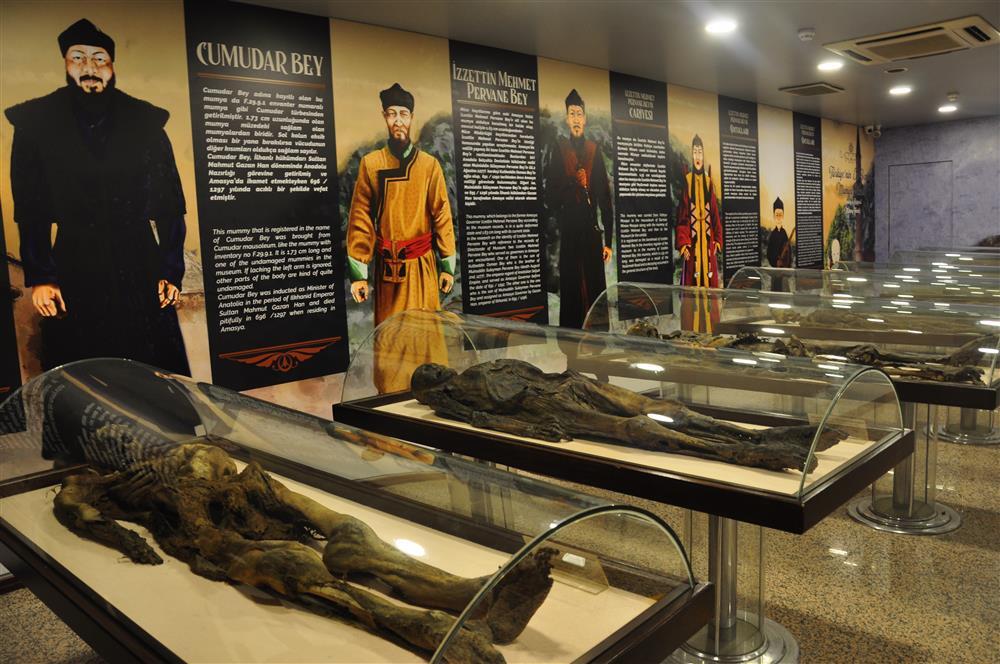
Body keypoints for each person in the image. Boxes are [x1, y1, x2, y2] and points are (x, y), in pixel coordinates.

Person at [5, 18, 189, 374]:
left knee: (152, 367)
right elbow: (31, 208)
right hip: (76, 261)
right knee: (83, 365)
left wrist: (170, 269)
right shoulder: (36, 123)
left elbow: (170, 204)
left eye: (99, 59)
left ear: (112, 66)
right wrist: (42, 276)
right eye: (78, 58)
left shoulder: (144, 121)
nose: (90, 68)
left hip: (140, 260)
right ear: (66, 64)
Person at [346, 83, 455, 392]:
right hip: (386, 273)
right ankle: (392, 402)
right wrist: (359, 273)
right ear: (384, 117)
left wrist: (446, 266)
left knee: (424, 340)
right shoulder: (371, 164)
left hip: (421, 269)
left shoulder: (429, 166)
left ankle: (433, 396)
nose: (398, 120)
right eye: (392, 114)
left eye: (403, 114)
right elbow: (361, 219)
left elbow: (442, 216)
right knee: (391, 344)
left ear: (411, 118)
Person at [544, 89, 613, 329]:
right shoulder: (559, 150)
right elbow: (551, 197)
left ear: (585, 119)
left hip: (592, 235)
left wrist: (609, 242)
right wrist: (574, 181)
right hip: (570, 234)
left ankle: (599, 342)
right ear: (566, 118)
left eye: (579, 114)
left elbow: (605, 197)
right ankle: (571, 346)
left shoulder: (595, 150)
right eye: (571, 113)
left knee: (594, 289)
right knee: (572, 291)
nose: (575, 118)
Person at [675, 134, 722, 331]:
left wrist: (718, 239)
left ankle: (710, 330)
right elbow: (682, 217)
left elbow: (715, 214)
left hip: (708, 247)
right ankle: (692, 330)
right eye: (694, 152)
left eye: (700, 152)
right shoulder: (687, 182)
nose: (697, 156)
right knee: (692, 289)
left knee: (709, 289)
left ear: (704, 155)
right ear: (691, 154)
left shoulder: (709, 182)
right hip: (694, 248)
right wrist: (684, 243)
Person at [766, 196, 791, 267]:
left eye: (781, 215)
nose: (779, 217)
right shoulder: (773, 234)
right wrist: (776, 261)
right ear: (774, 216)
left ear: (783, 216)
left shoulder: (784, 233)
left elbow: (789, 255)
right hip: (776, 269)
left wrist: (787, 251)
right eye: (777, 215)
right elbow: (769, 254)